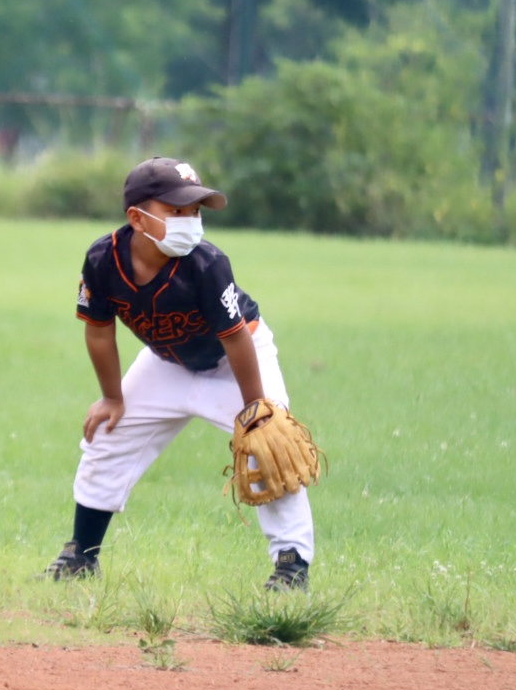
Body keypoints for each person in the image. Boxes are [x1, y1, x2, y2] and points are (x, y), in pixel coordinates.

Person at [42, 156, 317, 591]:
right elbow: (99, 331)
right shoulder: (103, 259)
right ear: (137, 218)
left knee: (268, 448)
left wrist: (255, 408)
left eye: (195, 210)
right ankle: (81, 555)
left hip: (237, 360)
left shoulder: (206, 264)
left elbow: (236, 339)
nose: (190, 220)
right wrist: (112, 397)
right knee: (108, 435)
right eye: (176, 210)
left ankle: (291, 566)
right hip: (167, 362)